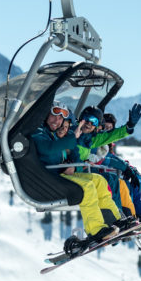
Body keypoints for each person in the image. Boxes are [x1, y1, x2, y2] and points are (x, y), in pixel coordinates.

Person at [30, 101, 121, 242]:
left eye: (61, 118)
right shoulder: (39, 132)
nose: (57, 120)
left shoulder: (53, 135)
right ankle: (96, 230)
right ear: (47, 114)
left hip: (59, 174)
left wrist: (71, 163)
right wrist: (73, 137)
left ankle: (115, 220)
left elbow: (66, 153)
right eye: (55, 115)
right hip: (49, 178)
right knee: (87, 187)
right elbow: (47, 149)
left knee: (98, 180)